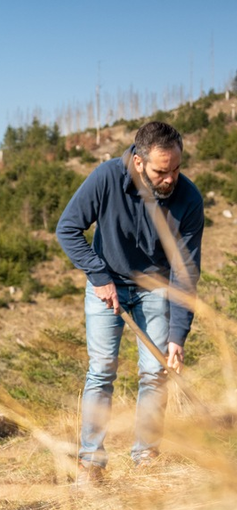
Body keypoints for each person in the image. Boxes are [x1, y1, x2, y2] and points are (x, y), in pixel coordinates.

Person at [56, 121, 204, 484]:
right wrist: (99, 275)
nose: (170, 179)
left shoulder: (189, 199)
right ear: (138, 162)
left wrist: (178, 335)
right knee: (102, 370)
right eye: (161, 171)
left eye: (176, 169)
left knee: (155, 373)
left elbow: (185, 272)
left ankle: (146, 458)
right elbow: (68, 229)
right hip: (106, 282)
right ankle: (91, 464)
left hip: (155, 288)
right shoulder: (107, 177)